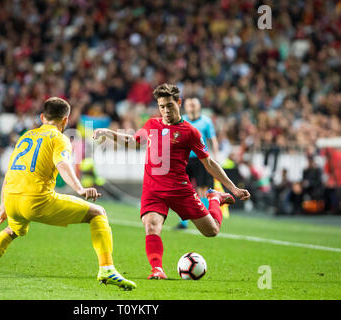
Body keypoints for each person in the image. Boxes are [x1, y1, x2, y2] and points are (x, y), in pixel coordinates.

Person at [0, 97, 137, 290]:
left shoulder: (26, 136)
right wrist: (79, 189)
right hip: (36, 200)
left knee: (11, 231)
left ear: (42, 117)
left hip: (11, 198)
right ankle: (107, 269)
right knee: (98, 213)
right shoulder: (59, 138)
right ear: (65, 120)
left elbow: (9, 172)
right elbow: (63, 165)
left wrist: (3, 203)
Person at [93, 83, 250, 280]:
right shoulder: (152, 124)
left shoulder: (190, 132)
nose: (166, 111)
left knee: (212, 231)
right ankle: (157, 269)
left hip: (179, 190)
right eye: (161, 106)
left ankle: (215, 199)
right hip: (153, 189)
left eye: (169, 105)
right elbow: (133, 141)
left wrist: (233, 188)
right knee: (151, 226)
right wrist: (109, 133)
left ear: (179, 102)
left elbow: (209, 162)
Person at [176, 97, 219, 229]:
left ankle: (205, 219)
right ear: (186, 107)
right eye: (189, 105)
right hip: (183, 159)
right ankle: (183, 222)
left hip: (200, 159)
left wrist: (216, 157)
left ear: (199, 106)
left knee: (202, 189)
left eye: (194, 104)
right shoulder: (181, 120)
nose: (192, 107)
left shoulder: (206, 121)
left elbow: (212, 139)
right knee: (182, 190)